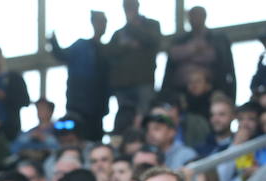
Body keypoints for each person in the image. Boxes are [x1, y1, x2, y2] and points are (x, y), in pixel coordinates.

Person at [50, 11, 110, 141]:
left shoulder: (106, 50)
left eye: (104, 22)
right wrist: (53, 41)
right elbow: (61, 55)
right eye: (100, 22)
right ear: (93, 23)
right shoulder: (81, 46)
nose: (102, 25)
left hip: (97, 107)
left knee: (94, 139)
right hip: (78, 105)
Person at [106, 0, 162, 134]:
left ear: (137, 6)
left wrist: (133, 27)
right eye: (126, 7)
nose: (129, 9)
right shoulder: (119, 33)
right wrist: (126, 46)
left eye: (131, 6)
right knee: (125, 119)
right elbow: (109, 52)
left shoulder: (152, 25)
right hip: (123, 85)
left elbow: (153, 42)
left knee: (144, 117)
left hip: (144, 82)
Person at [163, 6, 235, 101]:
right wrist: (194, 50)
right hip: (181, 92)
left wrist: (186, 54)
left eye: (198, 16)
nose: (195, 19)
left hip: (212, 91)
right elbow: (173, 55)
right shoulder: (180, 39)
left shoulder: (218, 39)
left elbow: (218, 59)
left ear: (204, 17)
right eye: (192, 16)